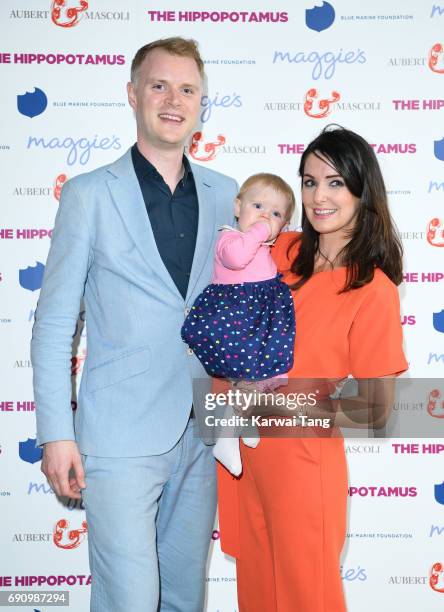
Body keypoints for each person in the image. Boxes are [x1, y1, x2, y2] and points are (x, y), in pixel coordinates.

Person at [31, 37, 238, 612]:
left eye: (188, 89)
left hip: (203, 432)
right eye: (159, 85)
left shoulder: (230, 196)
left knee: (183, 599)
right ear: (132, 94)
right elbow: (52, 325)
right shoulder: (89, 195)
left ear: (202, 105)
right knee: (129, 600)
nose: (174, 100)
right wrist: (56, 433)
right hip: (118, 436)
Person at [217, 125, 408, 612]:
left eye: (335, 182)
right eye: (308, 181)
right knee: (256, 595)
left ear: (363, 192)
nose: (318, 196)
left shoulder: (373, 289)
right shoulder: (280, 250)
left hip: (304, 465)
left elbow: (376, 410)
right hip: (242, 457)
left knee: (307, 598)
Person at [181, 173, 296, 476]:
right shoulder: (229, 238)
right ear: (237, 206)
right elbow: (236, 258)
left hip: (255, 317)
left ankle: (240, 419)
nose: (263, 216)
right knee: (250, 373)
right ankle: (227, 435)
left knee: (266, 371)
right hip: (233, 318)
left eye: (275, 213)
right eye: (257, 205)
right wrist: (260, 231)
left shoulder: (264, 245)